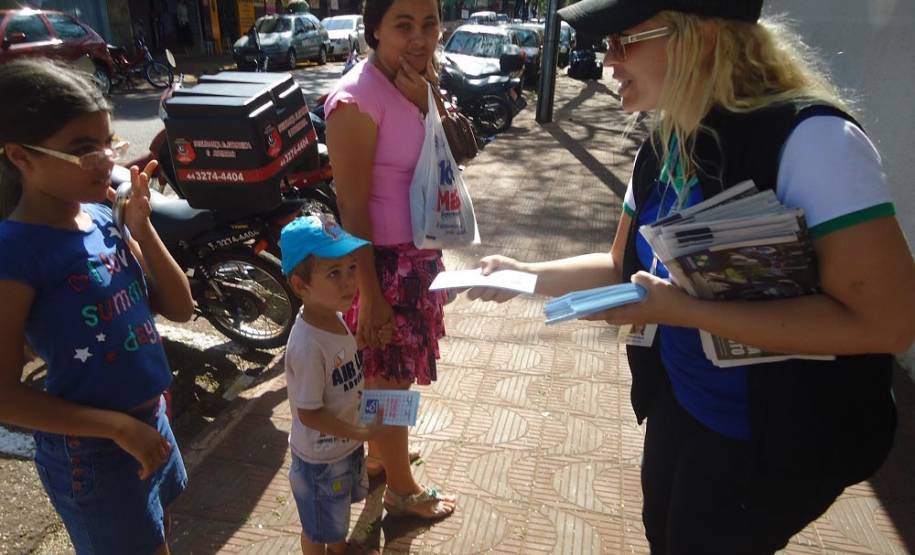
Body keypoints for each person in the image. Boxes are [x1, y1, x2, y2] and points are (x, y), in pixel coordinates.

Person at [468, 0, 915, 553]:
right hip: (682, 400)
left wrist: (683, 311)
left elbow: (887, 325)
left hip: (779, 433)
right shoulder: (663, 142)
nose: (606, 60)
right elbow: (618, 265)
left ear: (699, 38)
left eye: (623, 40)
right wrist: (525, 273)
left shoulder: (815, 142)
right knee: (665, 530)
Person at [0, 58, 194, 554]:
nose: (106, 160)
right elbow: (6, 396)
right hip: (94, 452)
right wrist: (116, 428)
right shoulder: (15, 252)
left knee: (158, 537)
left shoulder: (101, 217)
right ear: (20, 157)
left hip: (150, 422)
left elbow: (179, 307)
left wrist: (142, 229)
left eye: (107, 142)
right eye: (82, 150)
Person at [324, 0, 457, 519]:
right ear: (374, 29)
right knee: (390, 381)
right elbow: (351, 206)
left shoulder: (414, 83)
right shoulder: (356, 100)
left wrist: (428, 101)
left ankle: (381, 457)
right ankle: (402, 489)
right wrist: (370, 294)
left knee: (391, 375)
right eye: (404, 25)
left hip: (416, 258)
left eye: (429, 23)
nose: (420, 37)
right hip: (382, 265)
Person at [279, 215, 385, 555]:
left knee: (334, 515)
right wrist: (361, 435)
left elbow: (339, 362)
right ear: (300, 286)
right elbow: (309, 414)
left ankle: (339, 547)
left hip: (344, 444)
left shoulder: (333, 317)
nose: (349, 282)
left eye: (351, 267)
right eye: (333, 273)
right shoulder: (307, 345)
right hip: (321, 459)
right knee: (316, 528)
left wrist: (364, 344)